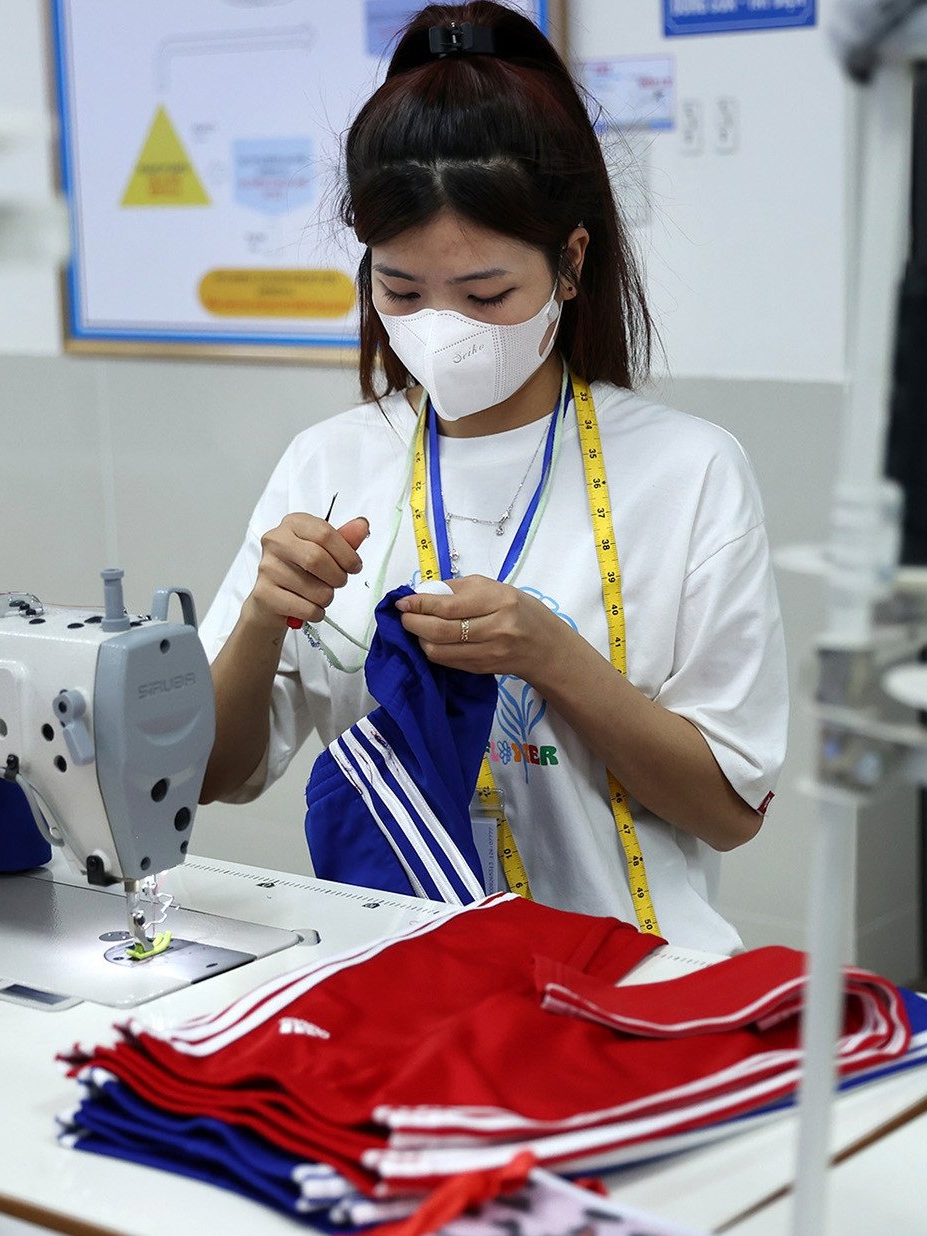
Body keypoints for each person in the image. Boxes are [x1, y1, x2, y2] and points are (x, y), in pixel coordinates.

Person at [197, 2, 787, 953]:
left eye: (484, 294)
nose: (443, 327)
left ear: (569, 263)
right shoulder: (330, 463)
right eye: (400, 292)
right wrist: (263, 621)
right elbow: (213, 775)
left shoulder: (689, 471)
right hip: (402, 976)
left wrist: (553, 659)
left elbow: (729, 811)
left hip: (631, 980)